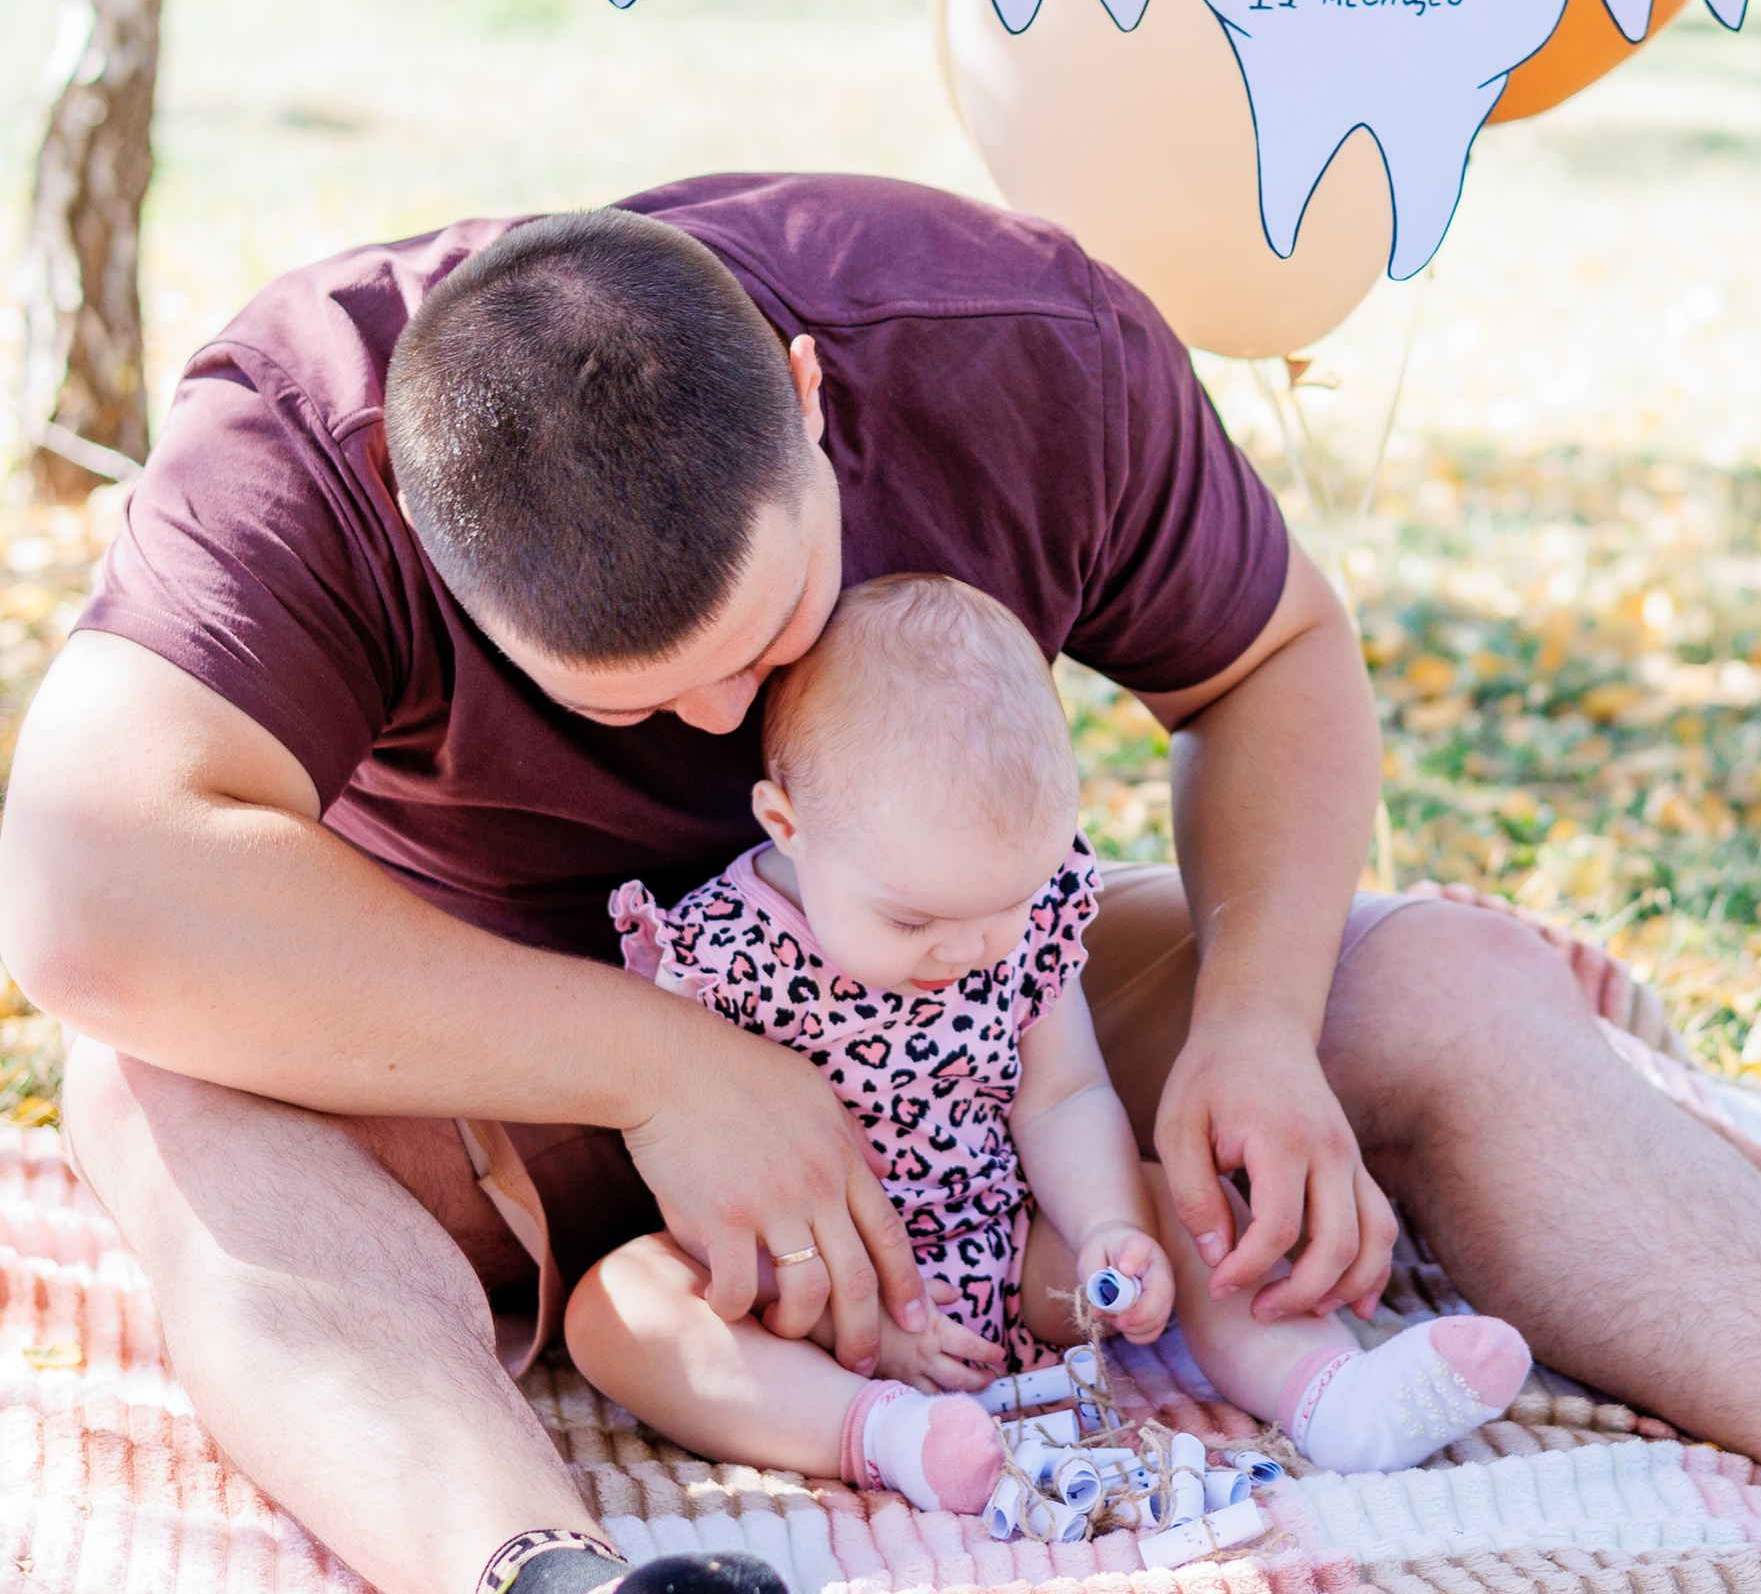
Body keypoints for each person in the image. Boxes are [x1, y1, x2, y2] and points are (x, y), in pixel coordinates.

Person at [0, 178, 1761, 1594]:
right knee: (163, 1087)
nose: (711, 742)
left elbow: (1271, 661)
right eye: (622, 698)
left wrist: (1246, 1021)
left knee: (1435, 970)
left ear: (820, 407)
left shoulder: (1012, 346)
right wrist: (657, 1060)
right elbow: (86, 888)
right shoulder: (293, 435)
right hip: (502, 1047)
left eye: (758, 648)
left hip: (956, 1003)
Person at [575, 569, 1530, 1519]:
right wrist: (857, 1320)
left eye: (1005, 907)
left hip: (1012, 1247)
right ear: (790, 826)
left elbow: (1063, 1097)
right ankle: (883, 1433)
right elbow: (710, 1178)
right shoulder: (721, 955)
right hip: (809, 1286)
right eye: (913, 921)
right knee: (622, 1308)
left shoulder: (1020, 922)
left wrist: (1111, 1225)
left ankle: (1327, 1391)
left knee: (1176, 1203)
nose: (966, 950)